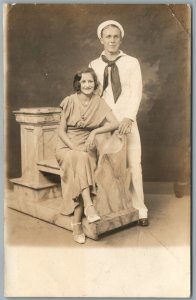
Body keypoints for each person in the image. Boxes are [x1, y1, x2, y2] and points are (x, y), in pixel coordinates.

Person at [89, 20, 148, 226]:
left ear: (120, 38)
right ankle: (112, 208)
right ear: (101, 40)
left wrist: (128, 118)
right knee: (108, 166)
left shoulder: (132, 62)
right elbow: (94, 96)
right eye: (108, 36)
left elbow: (136, 91)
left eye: (116, 36)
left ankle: (140, 209)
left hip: (127, 121)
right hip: (106, 123)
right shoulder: (94, 65)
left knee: (134, 164)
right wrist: (102, 122)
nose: (112, 40)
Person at [55, 67, 119, 244]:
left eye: (90, 81)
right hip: (66, 146)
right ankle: (88, 208)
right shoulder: (69, 101)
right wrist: (73, 146)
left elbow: (115, 123)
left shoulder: (98, 102)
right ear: (78, 83)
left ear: (94, 83)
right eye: (84, 81)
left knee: (82, 161)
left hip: (86, 147)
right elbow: (61, 131)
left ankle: (76, 223)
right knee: (80, 159)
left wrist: (95, 131)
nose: (87, 84)